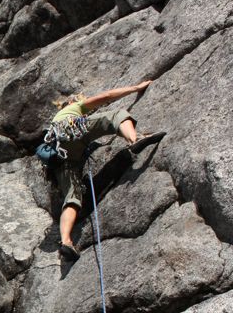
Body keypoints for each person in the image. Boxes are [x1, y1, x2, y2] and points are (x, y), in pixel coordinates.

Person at [47, 80, 165, 261]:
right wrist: (135, 88)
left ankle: (66, 241)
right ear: (71, 102)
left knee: (72, 198)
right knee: (114, 115)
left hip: (60, 157)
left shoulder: (53, 123)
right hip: (70, 130)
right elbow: (106, 97)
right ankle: (135, 140)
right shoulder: (72, 108)